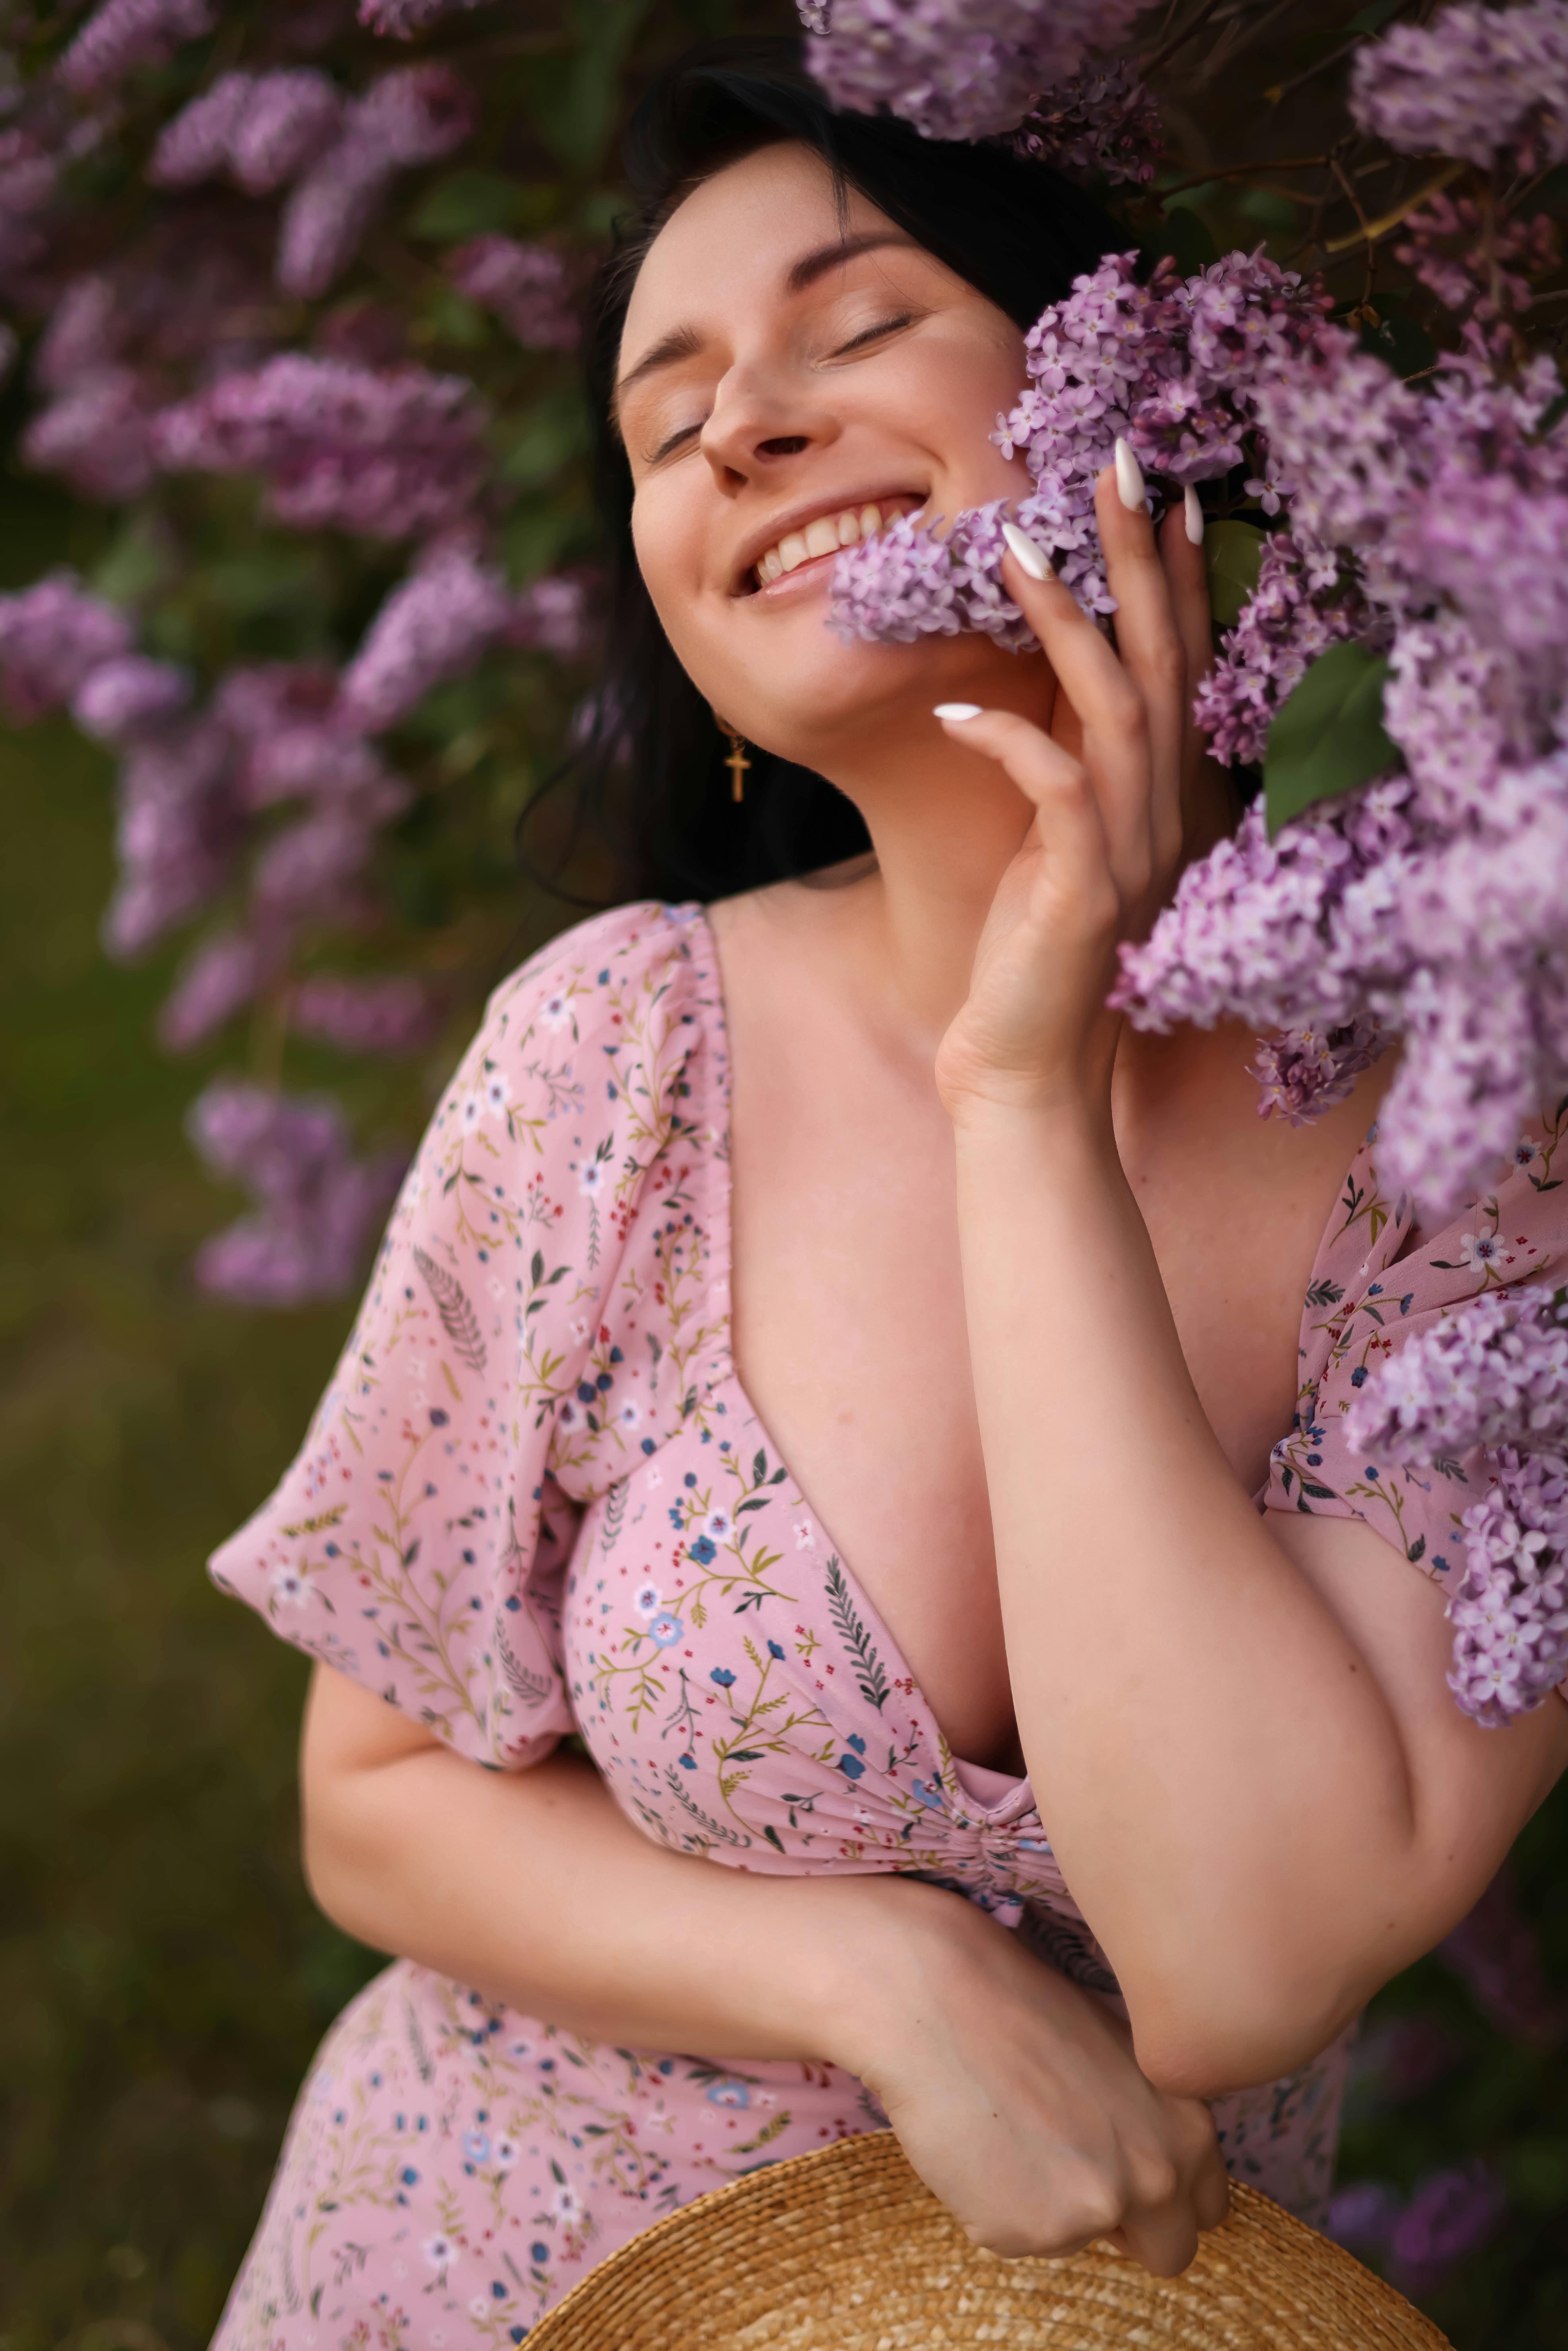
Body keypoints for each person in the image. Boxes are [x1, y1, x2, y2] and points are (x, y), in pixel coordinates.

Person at [208, 37, 1568, 2346]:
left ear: (1140, 394)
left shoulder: (1477, 1131)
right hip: (477, 2271)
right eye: (664, 424)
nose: (739, 428)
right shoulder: (614, 1053)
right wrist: (882, 1972)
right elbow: (374, 1794)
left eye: (856, 326)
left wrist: (1021, 1099)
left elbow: (1237, 1964)